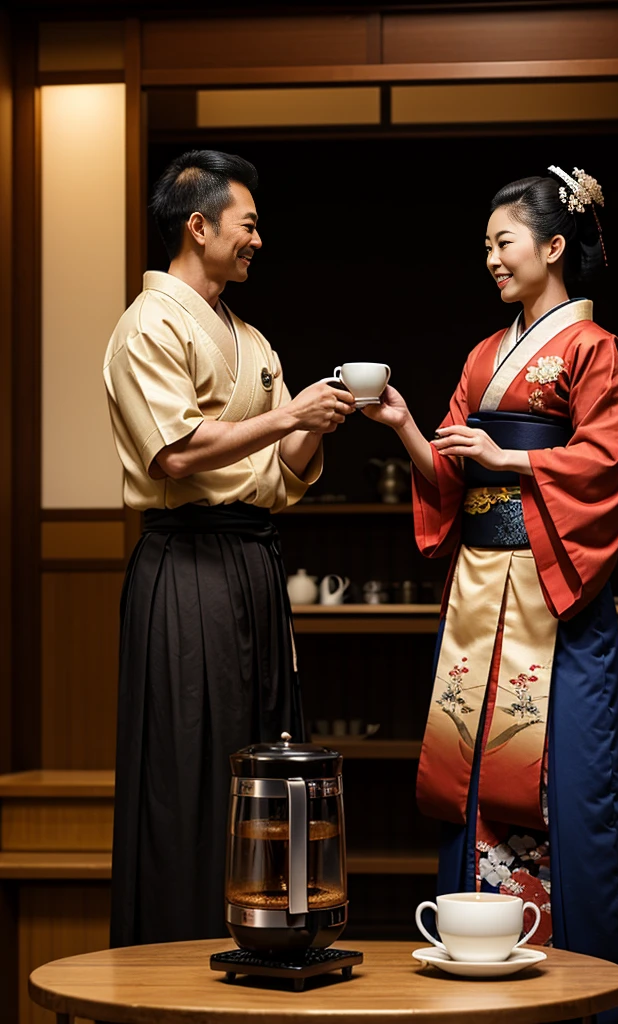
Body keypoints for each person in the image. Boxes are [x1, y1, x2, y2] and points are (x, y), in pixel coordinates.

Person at [364, 167, 618, 1021]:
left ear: (554, 247)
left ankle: (594, 982)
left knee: (573, 780)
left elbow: (606, 464)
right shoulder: (484, 357)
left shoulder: (592, 350)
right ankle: (482, 964)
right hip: (481, 598)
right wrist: (407, 429)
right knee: (472, 779)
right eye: (487, 246)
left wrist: (513, 460)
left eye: (504, 242)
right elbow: (451, 477)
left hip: (553, 594)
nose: (491, 258)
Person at [103, 150, 355, 947]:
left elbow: (279, 478)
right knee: (191, 764)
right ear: (199, 224)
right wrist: (287, 418)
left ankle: (271, 940)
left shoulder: (252, 338)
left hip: (251, 562)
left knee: (264, 754)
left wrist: (313, 427)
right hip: (186, 565)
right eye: (247, 225)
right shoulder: (149, 324)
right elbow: (175, 456)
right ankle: (176, 948)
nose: (256, 240)